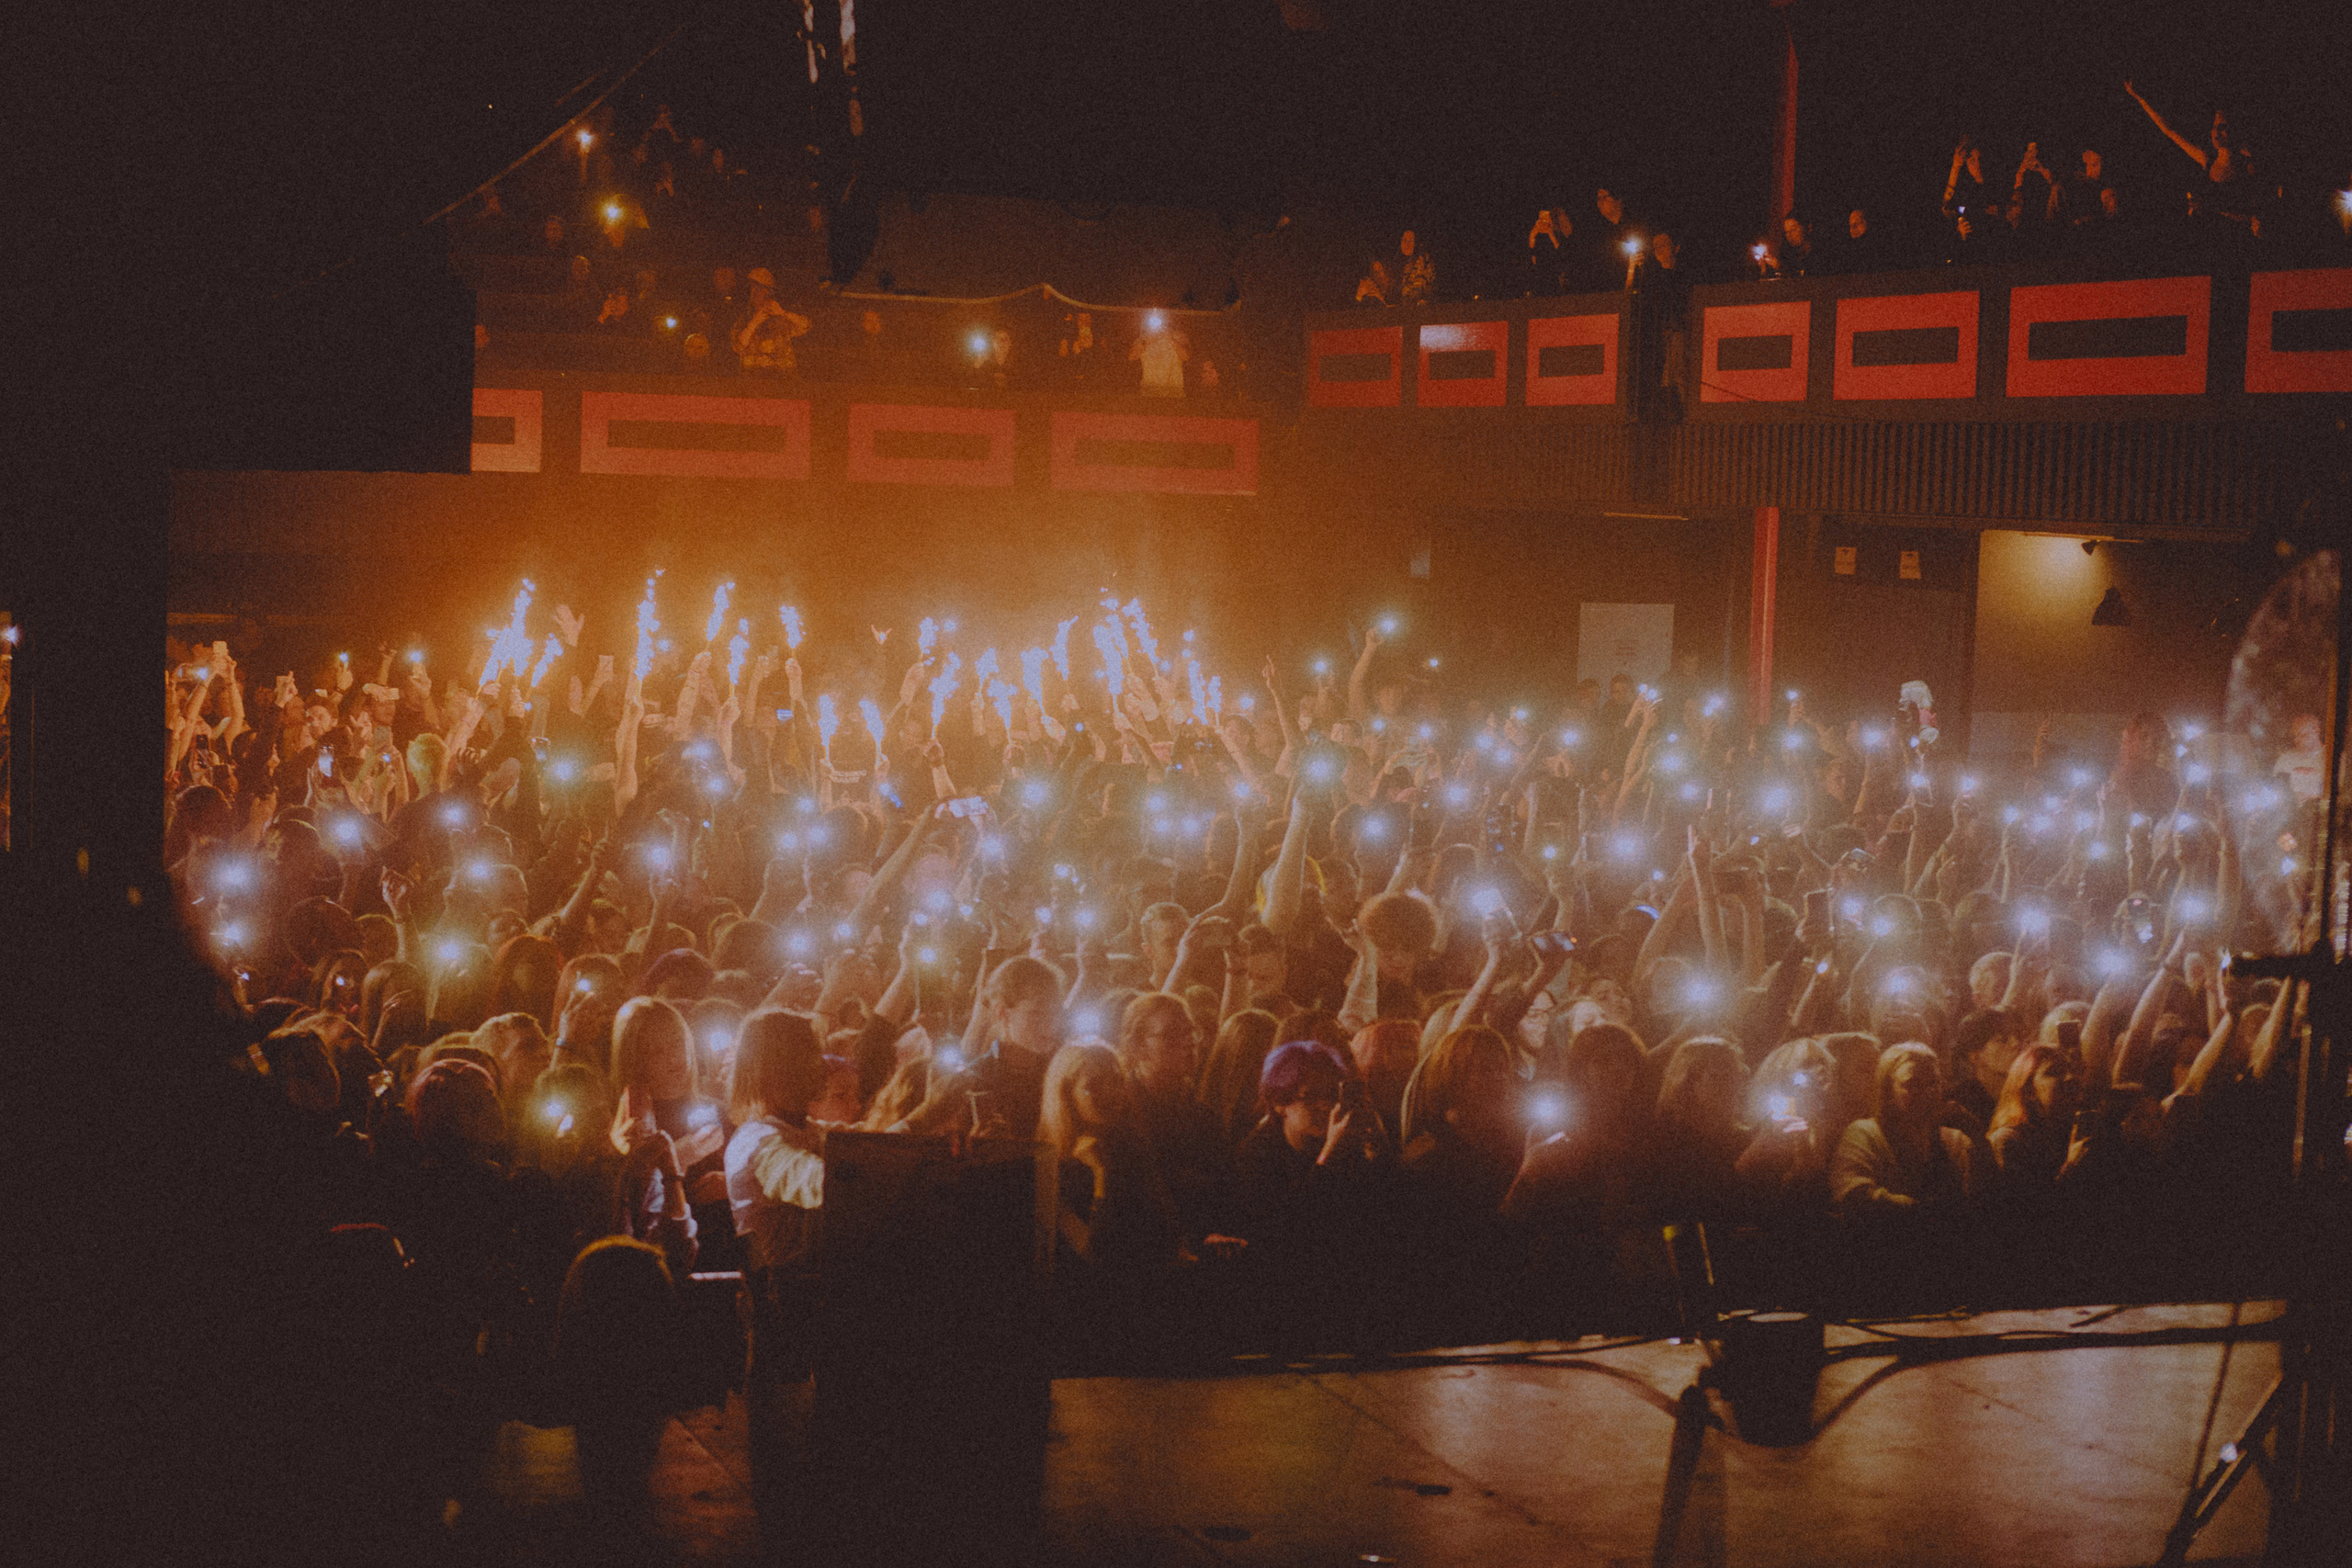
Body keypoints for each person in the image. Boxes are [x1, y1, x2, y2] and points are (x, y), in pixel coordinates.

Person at [731, 267, 810, 374]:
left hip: (782, 378)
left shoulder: (781, 320)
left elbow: (805, 326)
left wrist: (783, 313)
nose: (760, 296)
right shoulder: (744, 319)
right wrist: (754, 323)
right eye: (756, 291)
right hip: (752, 378)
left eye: (764, 292)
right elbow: (738, 346)